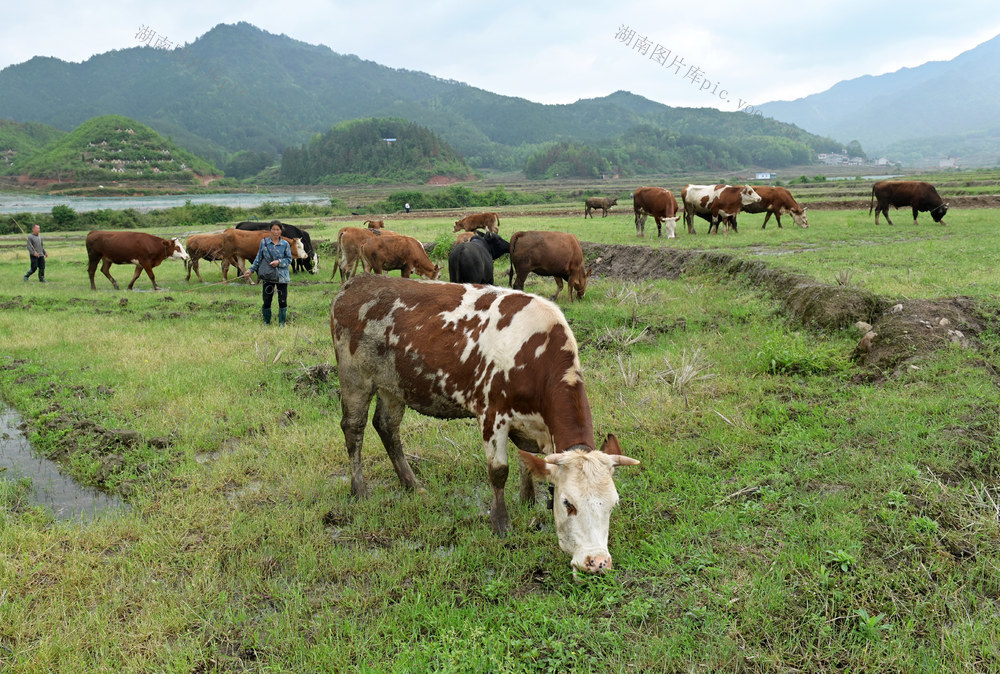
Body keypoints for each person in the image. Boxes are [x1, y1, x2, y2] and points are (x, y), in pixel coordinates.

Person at [242, 222, 292, 325]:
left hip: (282, 277)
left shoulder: (285, 244)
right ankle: (266, 322)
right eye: (273, 229)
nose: (275, 232)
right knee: (267, 300)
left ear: (281, 231)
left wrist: (279, 262)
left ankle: (282, 323)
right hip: (268, 276)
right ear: (270, 230)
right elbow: (258, 258)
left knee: (282, 301)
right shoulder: (264, 243)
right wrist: (250, 270)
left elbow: (289, 259)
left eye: (278, 230)